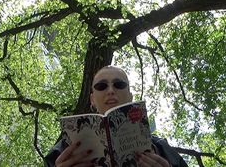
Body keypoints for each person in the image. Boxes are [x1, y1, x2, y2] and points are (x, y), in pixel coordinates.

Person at [44, 66, 188, 167]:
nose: (111, 90)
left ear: (131, 96)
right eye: (102, 86)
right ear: (92, 100)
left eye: (119, 84)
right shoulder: (63, 151)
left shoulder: (161, 148)